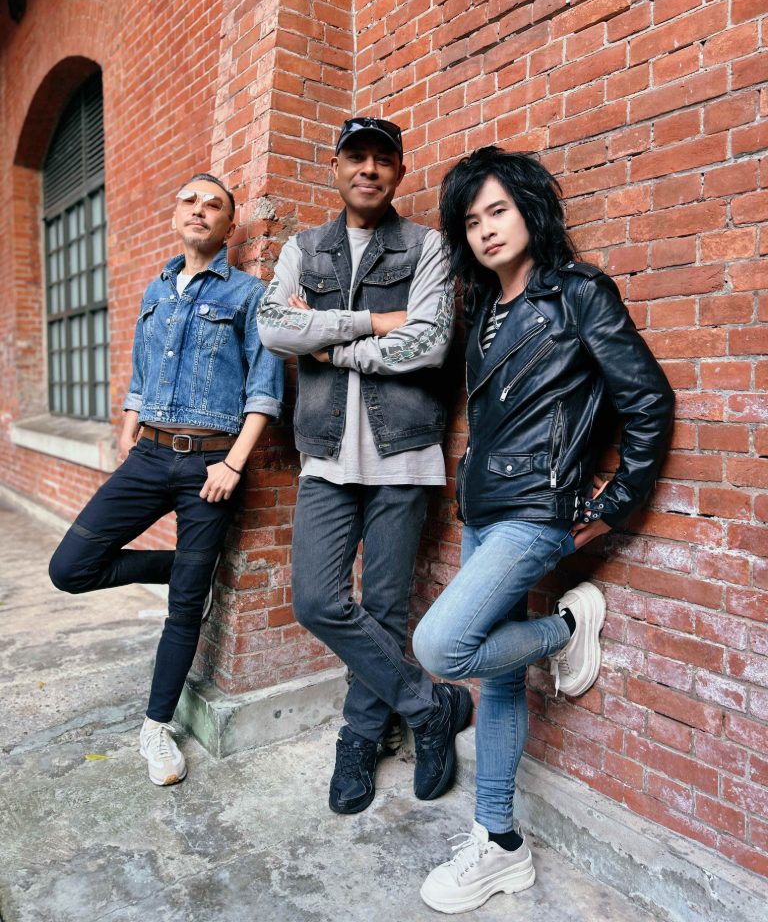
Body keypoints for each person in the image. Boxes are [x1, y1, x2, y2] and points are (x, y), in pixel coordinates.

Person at [412, 146, 674, 914]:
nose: (487, 230)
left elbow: (648, 401)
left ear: (530, 209)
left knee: (440, 646)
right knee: (497, 677)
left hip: (537, 514)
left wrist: (613, 505)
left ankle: (564, 629)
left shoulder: (578, 292)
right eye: (472, 221)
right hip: (483, 508)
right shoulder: (483, 312)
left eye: (498, 210)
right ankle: (499, 842)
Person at [257, 117, 471, 816]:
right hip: (326, 453)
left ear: (399, 172)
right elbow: (273, 327)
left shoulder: (427, 246)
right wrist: (374, 323)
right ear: (337, 166)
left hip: (403, 451)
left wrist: (326, 343)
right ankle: (428, 705)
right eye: (357, 157)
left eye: (384, 159)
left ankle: (359, 737)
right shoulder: (303, 248)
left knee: (383, 607)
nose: (369, 169)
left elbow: (430, 342)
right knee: (317, 601)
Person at [49, 173, 283, 787]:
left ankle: (156, 727)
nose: (199, 210)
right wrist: (129, 424)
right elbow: (140, 369)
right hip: (149, 457)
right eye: (190, 201)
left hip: (211, 464)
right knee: (70, 568)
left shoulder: (248, 294)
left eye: (214, 205)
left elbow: (264, 390)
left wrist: (234, 464)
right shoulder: (156, 288)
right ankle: (187, 569)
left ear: (229, 226)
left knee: (184, 610)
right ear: (176, 215)